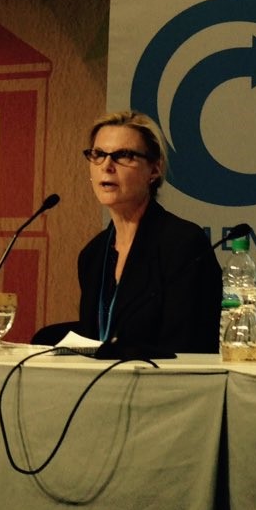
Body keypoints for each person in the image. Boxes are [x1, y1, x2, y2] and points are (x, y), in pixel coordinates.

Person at [75, 110, 221, 354]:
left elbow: (191, 346)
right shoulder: (92, 255)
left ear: (154, 170)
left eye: (124, 155)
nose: (107, 166)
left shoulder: (183, 245)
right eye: (98, 154)